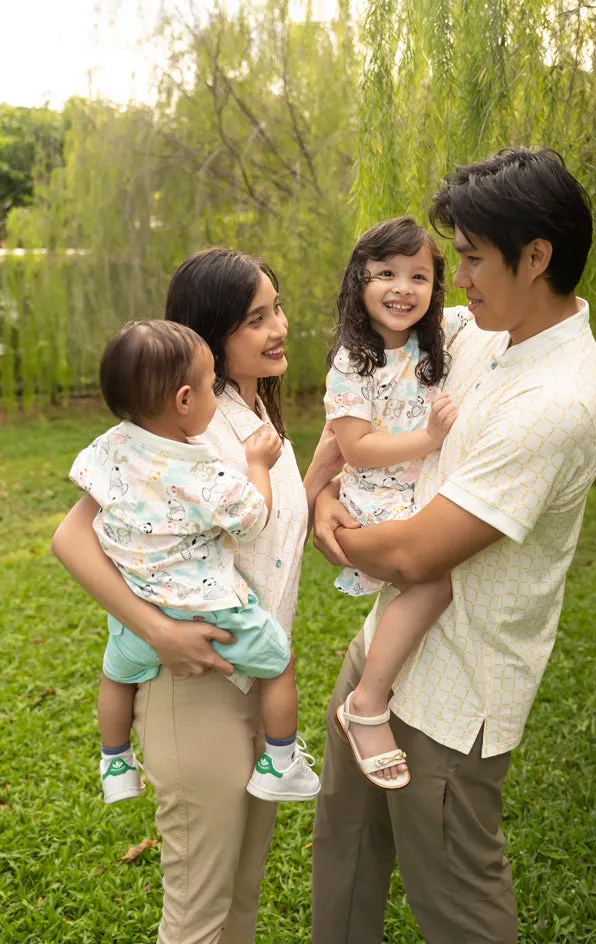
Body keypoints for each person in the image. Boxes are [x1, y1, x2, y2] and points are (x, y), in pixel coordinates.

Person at [312, 148, 596, 944]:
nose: (457, 279)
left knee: (457, 905)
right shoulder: (480, 329)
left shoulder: (556, 400)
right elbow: (367, 384)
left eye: (473, 259)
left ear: (536, 257)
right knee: (343, 849)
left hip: (454, 685)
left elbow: (416, 557)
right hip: (383, 647)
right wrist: (319, 488)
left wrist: (337, 532)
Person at [52, 248, 342, 944]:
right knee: (199, 911)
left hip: (251, 675)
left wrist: (325, 478)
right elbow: (71, 539)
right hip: (197, 684)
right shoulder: (177, 431)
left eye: (276, 308)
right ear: (212, 334)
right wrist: (156, 631)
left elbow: (260, 533)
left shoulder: (240, 414)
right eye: (256, 318)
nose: (279, 327)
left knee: (239, 894)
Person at [70, 318, 320, 805]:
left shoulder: (109, 447)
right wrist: (256, 466)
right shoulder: (201, 471)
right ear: (185, 400)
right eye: (209, 388)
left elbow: (84, 483)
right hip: (208, 609)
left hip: (135, 610)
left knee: (115, 676)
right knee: (279, 662)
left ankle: (116, 762)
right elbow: (251, 518)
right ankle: (282, 761)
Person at [324, 216, 468, 788]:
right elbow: (355, 448)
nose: (402, 288)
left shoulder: (438, 343)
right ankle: (367, 702)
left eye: (419, 276)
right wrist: (429, 439)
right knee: (432, 580)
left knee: (435, 579)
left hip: (417, 492)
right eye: (386, 274)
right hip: (377, 496)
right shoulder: (352, 363)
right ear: (359, 282)